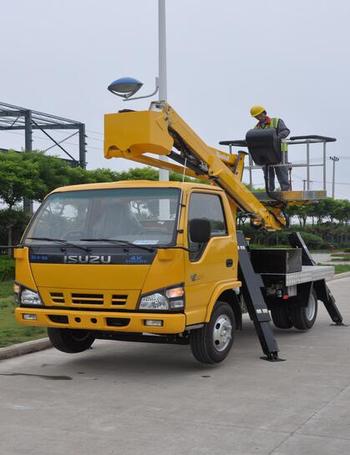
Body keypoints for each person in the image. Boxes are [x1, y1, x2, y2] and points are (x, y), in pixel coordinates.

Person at [250, 105, 291, 191]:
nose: (258, 117)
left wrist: (275, 138)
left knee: (281, 169)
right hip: (266, 152)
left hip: (280, 151)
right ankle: (269, 191)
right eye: (256, 116)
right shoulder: (256, 128)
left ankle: (286, 190)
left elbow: (286, 131)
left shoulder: (276, 121)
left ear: (264, 113)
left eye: (260, 115)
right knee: (267, 170)